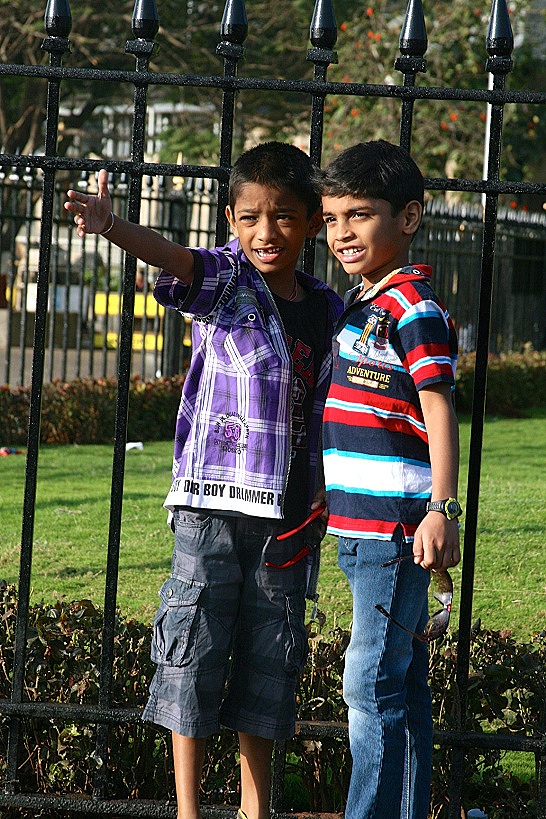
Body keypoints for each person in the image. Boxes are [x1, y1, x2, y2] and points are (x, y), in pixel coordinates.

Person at [64, 142, 344, 819]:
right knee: (193, 650)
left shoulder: (329, 307)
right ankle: (188, 809)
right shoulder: (227, 282)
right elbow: (176, 260)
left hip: (289, 518)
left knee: (270, 659)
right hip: (209, 507)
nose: (265, 232)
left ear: (311, 222)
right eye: (249, 217)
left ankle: (255, 808)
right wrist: (112, 227)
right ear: (231, 219)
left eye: (283, 217)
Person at [320, 140, 461, 819]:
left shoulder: (414, 307)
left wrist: (443, 508)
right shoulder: (361, 302)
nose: (342, 231)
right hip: (357, 528)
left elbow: (439, 410)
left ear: (408, 217)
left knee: (370, 685)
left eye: (360, 215)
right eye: (332, 217)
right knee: (398, 687)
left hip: (397, 532)